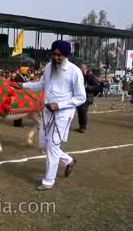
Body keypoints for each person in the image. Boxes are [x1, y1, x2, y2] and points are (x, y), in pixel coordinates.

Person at [22, 40, 86, 191]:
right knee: (44, 145)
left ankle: (48, 181)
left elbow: (81, 97)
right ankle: (69, 161)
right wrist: (22, 85)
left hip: (62, 115)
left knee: (52, 147)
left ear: (65, 55)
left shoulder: (74, 71)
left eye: (59, 55)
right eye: (54, 54)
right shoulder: (49, 67)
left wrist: (59, 105)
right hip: (46, 112)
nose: (56, 57)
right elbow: (42, 85)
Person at [76, 65, 99, 133]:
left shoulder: (92, 76)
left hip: (88, 96)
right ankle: (81, 126)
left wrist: (87, 87)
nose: (81, 71)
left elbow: (96, 87)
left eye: (82, 70)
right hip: (81, 96)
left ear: (86, 69)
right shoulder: (83, 76)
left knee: (83, 111)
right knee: (80, 110)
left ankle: (83, 127)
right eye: (80, 70)